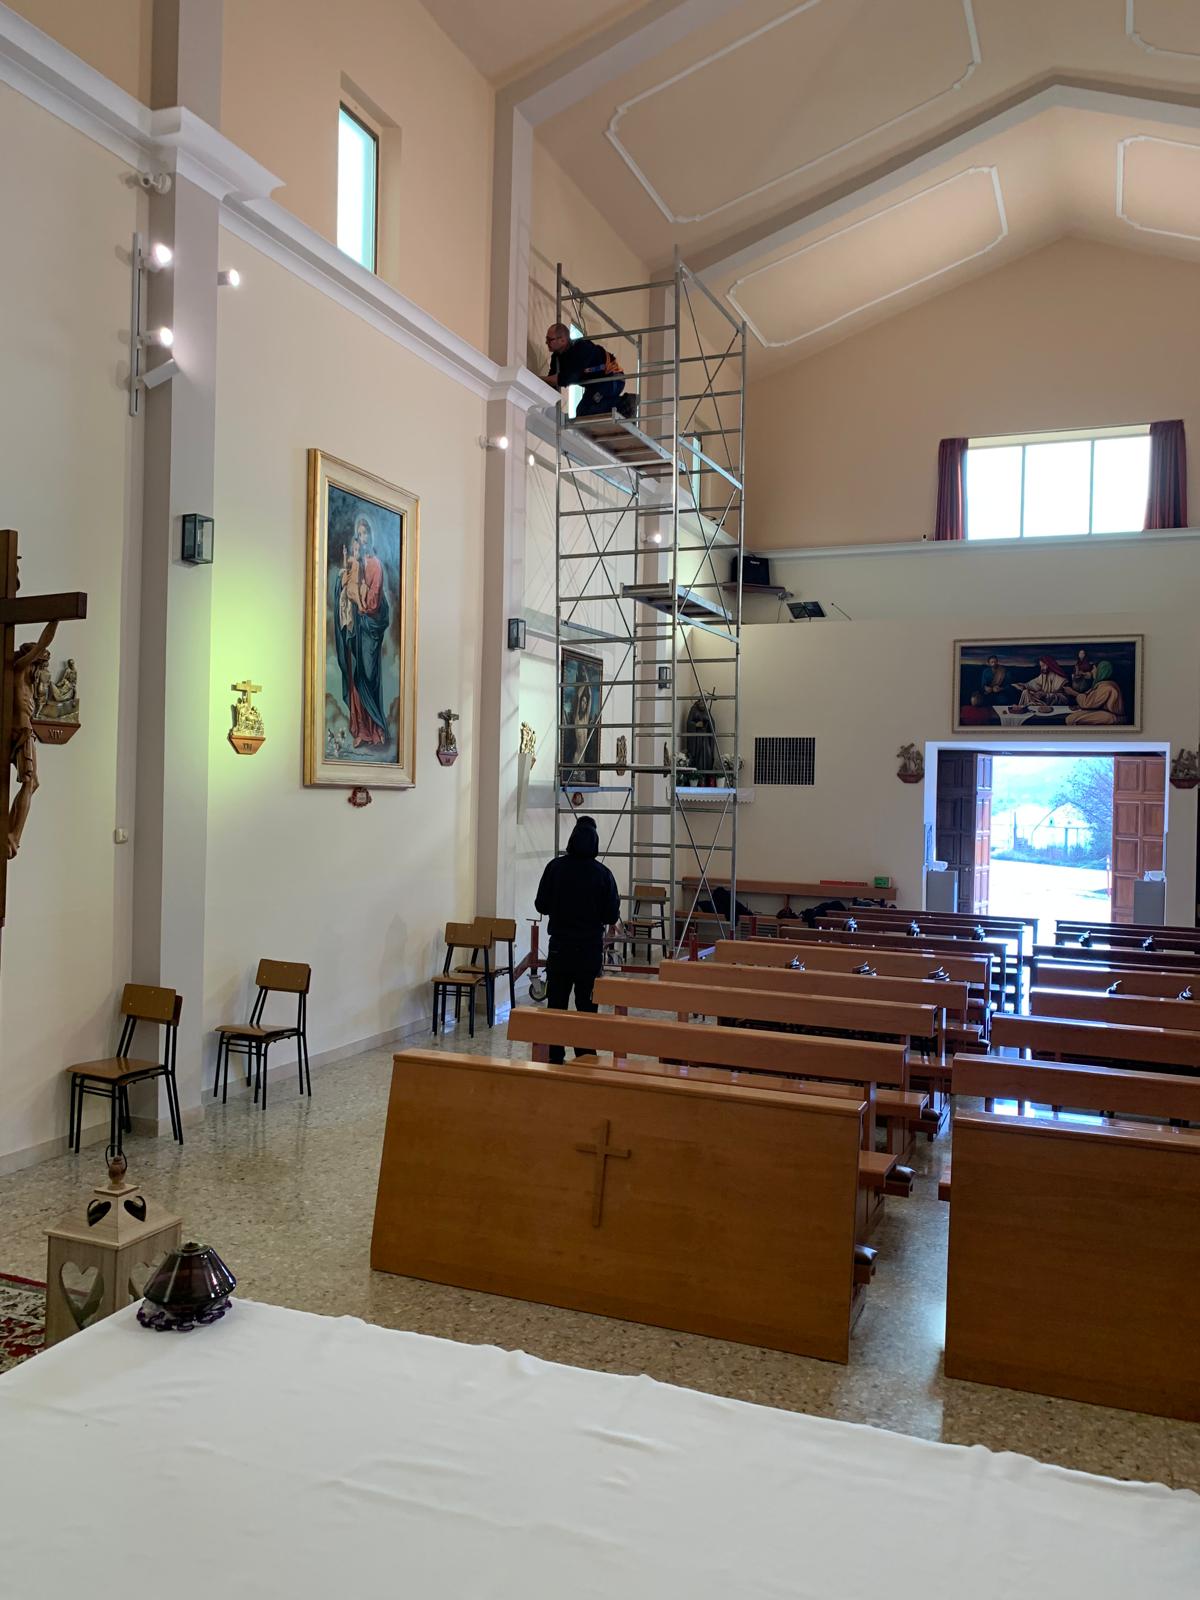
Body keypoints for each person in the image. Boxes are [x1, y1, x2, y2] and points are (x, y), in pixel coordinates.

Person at [534, 815, 620, 1064]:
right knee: (587, 1007)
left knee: (556, 1004)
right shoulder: (603, 874)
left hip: (560, 948)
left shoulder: (555, 868)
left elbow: (541, 905)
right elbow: (611, 915)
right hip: (589, 950)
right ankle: (585, 1058)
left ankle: (555, 1057)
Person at [543, 324, 634, 420]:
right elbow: (552, 381)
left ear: (562, 340)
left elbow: (568, 378)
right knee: (581, 413)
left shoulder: (581, 348)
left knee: (586, 411)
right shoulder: (557, 358)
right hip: (596, 385)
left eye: (549, 339)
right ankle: (620, 407)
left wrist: (541, 378)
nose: (546, 342)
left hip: (612, 379)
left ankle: (625, 403)